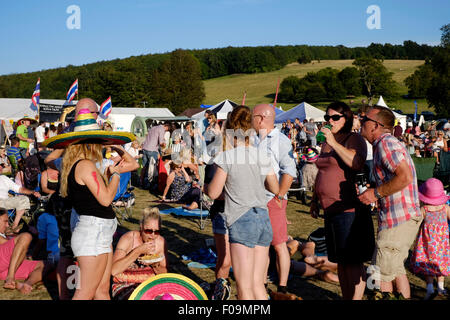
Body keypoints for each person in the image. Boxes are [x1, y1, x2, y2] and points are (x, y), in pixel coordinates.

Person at [43, 108, 135, 300]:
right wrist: (116, 176)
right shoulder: (85, 165)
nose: (102, 145)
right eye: (99, 140)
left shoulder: (77, 164)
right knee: (85, 293)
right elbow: (106, 199)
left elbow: (132, 164)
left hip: (98, 232)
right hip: (92, 234)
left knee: (101, 291)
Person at [206, 105, 280, 300]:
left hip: (241, 218)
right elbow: (275, 188)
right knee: (258, 285)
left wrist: (202, 185)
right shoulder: (261, 155)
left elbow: (213, 193)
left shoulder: (226, 157)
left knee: (244, 287)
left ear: (230, 130)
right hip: (263, 218)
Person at [310, 101, 374, 300]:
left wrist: (334, 143)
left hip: (349, 209)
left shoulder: (353, 138)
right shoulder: (327, 141)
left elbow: (356, 162)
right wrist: (314, 199)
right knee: (341, 262)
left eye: (335, 117)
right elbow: (322, 171)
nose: (330, 121)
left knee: (353, 262)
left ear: (346, 119)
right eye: (327, 117)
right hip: (331, 209)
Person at [359, 105, 423, 300]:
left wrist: (376, 193)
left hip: (398, 219)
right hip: (401, 218)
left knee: (379, 275)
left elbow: (404, 176)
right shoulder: (385, 144)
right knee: (395, 270)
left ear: (376, 125)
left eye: (364, 120)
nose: (361, 123)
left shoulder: (385, 143)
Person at [252, 104, 297, 295]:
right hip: (255, 199)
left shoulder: (281, 140)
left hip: (272, 199)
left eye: (253, 116)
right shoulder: (252, 139)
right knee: (261, 245)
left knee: (279, 244)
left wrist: (279, 196)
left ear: (261, 118)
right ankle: (261, 282)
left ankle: (283, 285)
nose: (250, 120)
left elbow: (289, 171)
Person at [111, 207, 168, 300]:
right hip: (126, 285)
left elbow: (165, 274)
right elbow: (114, 270)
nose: (153, 235)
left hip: (149, 284)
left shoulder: (161, 242)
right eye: (149, 231)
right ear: (141, 227)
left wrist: (155, 264)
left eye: (157, 231)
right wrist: (138, 251)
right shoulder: (128, 239)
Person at [410, 178, 450, 300]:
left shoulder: (425, 209)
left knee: (427, 264)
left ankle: (429, 288)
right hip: (442, 244)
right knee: (440, 264)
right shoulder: (445, 208)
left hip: (427, 243)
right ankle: (441, 287)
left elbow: (415, 223)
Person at [0, 210, 45, 294]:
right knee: (26, 236)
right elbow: (17, 244)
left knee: (44, 264)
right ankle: (10, 277)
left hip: (6, 267)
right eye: (5, 221)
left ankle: (26, 284)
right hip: (3, 262)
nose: (7, 225)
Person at [141, 122, 170, 188]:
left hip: (145, 148)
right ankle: (150, 184)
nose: (166, 131)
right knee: (152, 168)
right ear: (166, 127)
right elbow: (161, 143)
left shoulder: (153, 127)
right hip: (152, 149)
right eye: (167, 130)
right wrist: (164, 144)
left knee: (144, 166)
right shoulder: (161, 129)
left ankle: (141, 182)